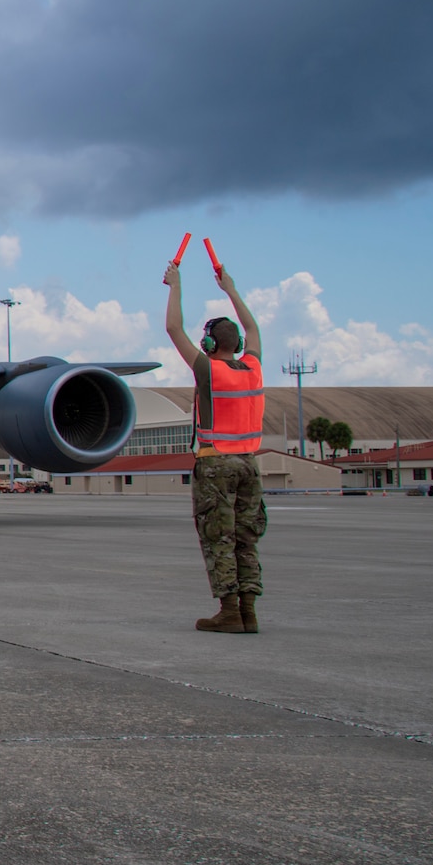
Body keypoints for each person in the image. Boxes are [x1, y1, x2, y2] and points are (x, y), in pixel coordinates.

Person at [163, 256, 266, 633]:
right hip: (249, 465)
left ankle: (229, 611)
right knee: (246, 537)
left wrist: (175, 285)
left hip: (215, 464)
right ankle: (249, 611)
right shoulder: (252, 367)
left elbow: (174, 328)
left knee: (217, 536)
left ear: (208, 343)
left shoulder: (209, 370)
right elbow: (252, 327)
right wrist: (231, 289)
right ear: (236, 343)